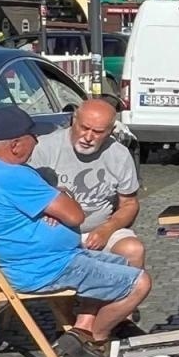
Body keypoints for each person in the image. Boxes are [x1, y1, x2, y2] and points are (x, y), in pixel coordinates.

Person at [0, 106, 151, 357]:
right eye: (32, 136)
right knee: (140, 282)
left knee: (122, 263)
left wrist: (55, 198)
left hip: (38, 260)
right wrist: (61, 199)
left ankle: (80, 330)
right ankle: (92, 338)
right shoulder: (14, 175)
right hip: (44, 267)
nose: (36, 141)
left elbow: (120, 204)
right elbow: (75, 215)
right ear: (16, 145)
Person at [29, 98, 144, 268]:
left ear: (110, 131)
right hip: (55, 230)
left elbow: (129, 204)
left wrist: (107, 229)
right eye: (84, 128)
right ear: (73, 121)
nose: (88, 137)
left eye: (98, 132)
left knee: (133, 250)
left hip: (101, 228)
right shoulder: (45, 148)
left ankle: (127, 292)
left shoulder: (119, 154)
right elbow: (25, 195)